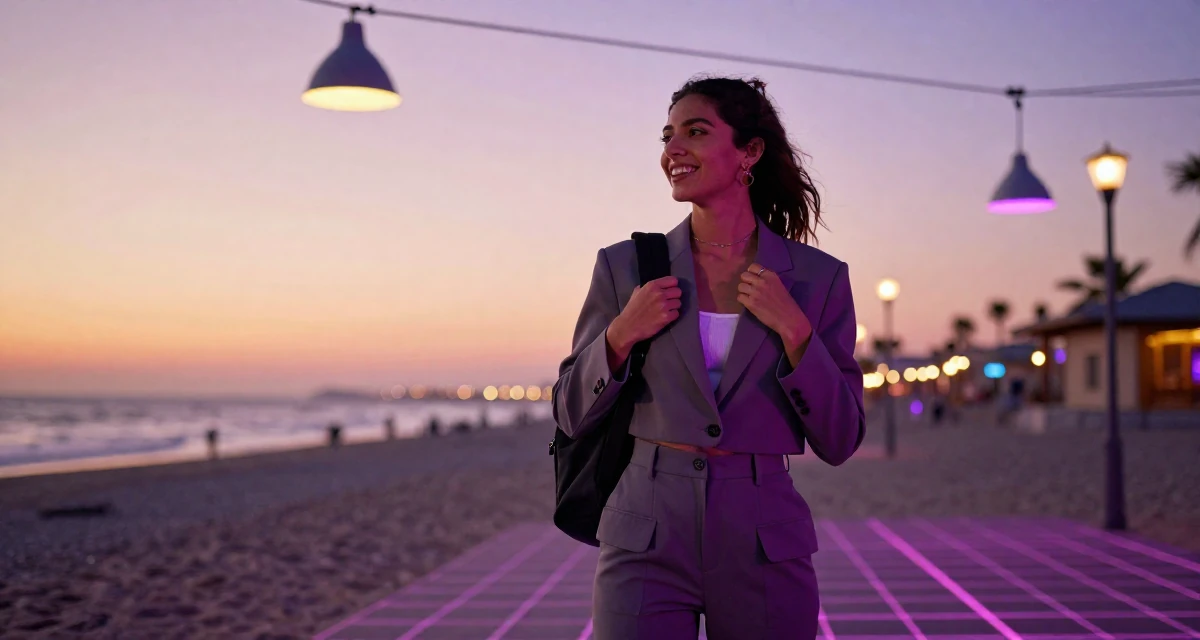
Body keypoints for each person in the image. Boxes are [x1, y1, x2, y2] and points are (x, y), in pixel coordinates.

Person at [553, 76, 865, 639]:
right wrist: (620, 336)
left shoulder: (819, 279)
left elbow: (841, 438)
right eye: (667, 135)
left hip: (763, 533)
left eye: (695, 132)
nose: (673, 149)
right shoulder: (624, 267)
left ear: (749, 151)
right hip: (645, 528)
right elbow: (571, 412)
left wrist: (796, 332)